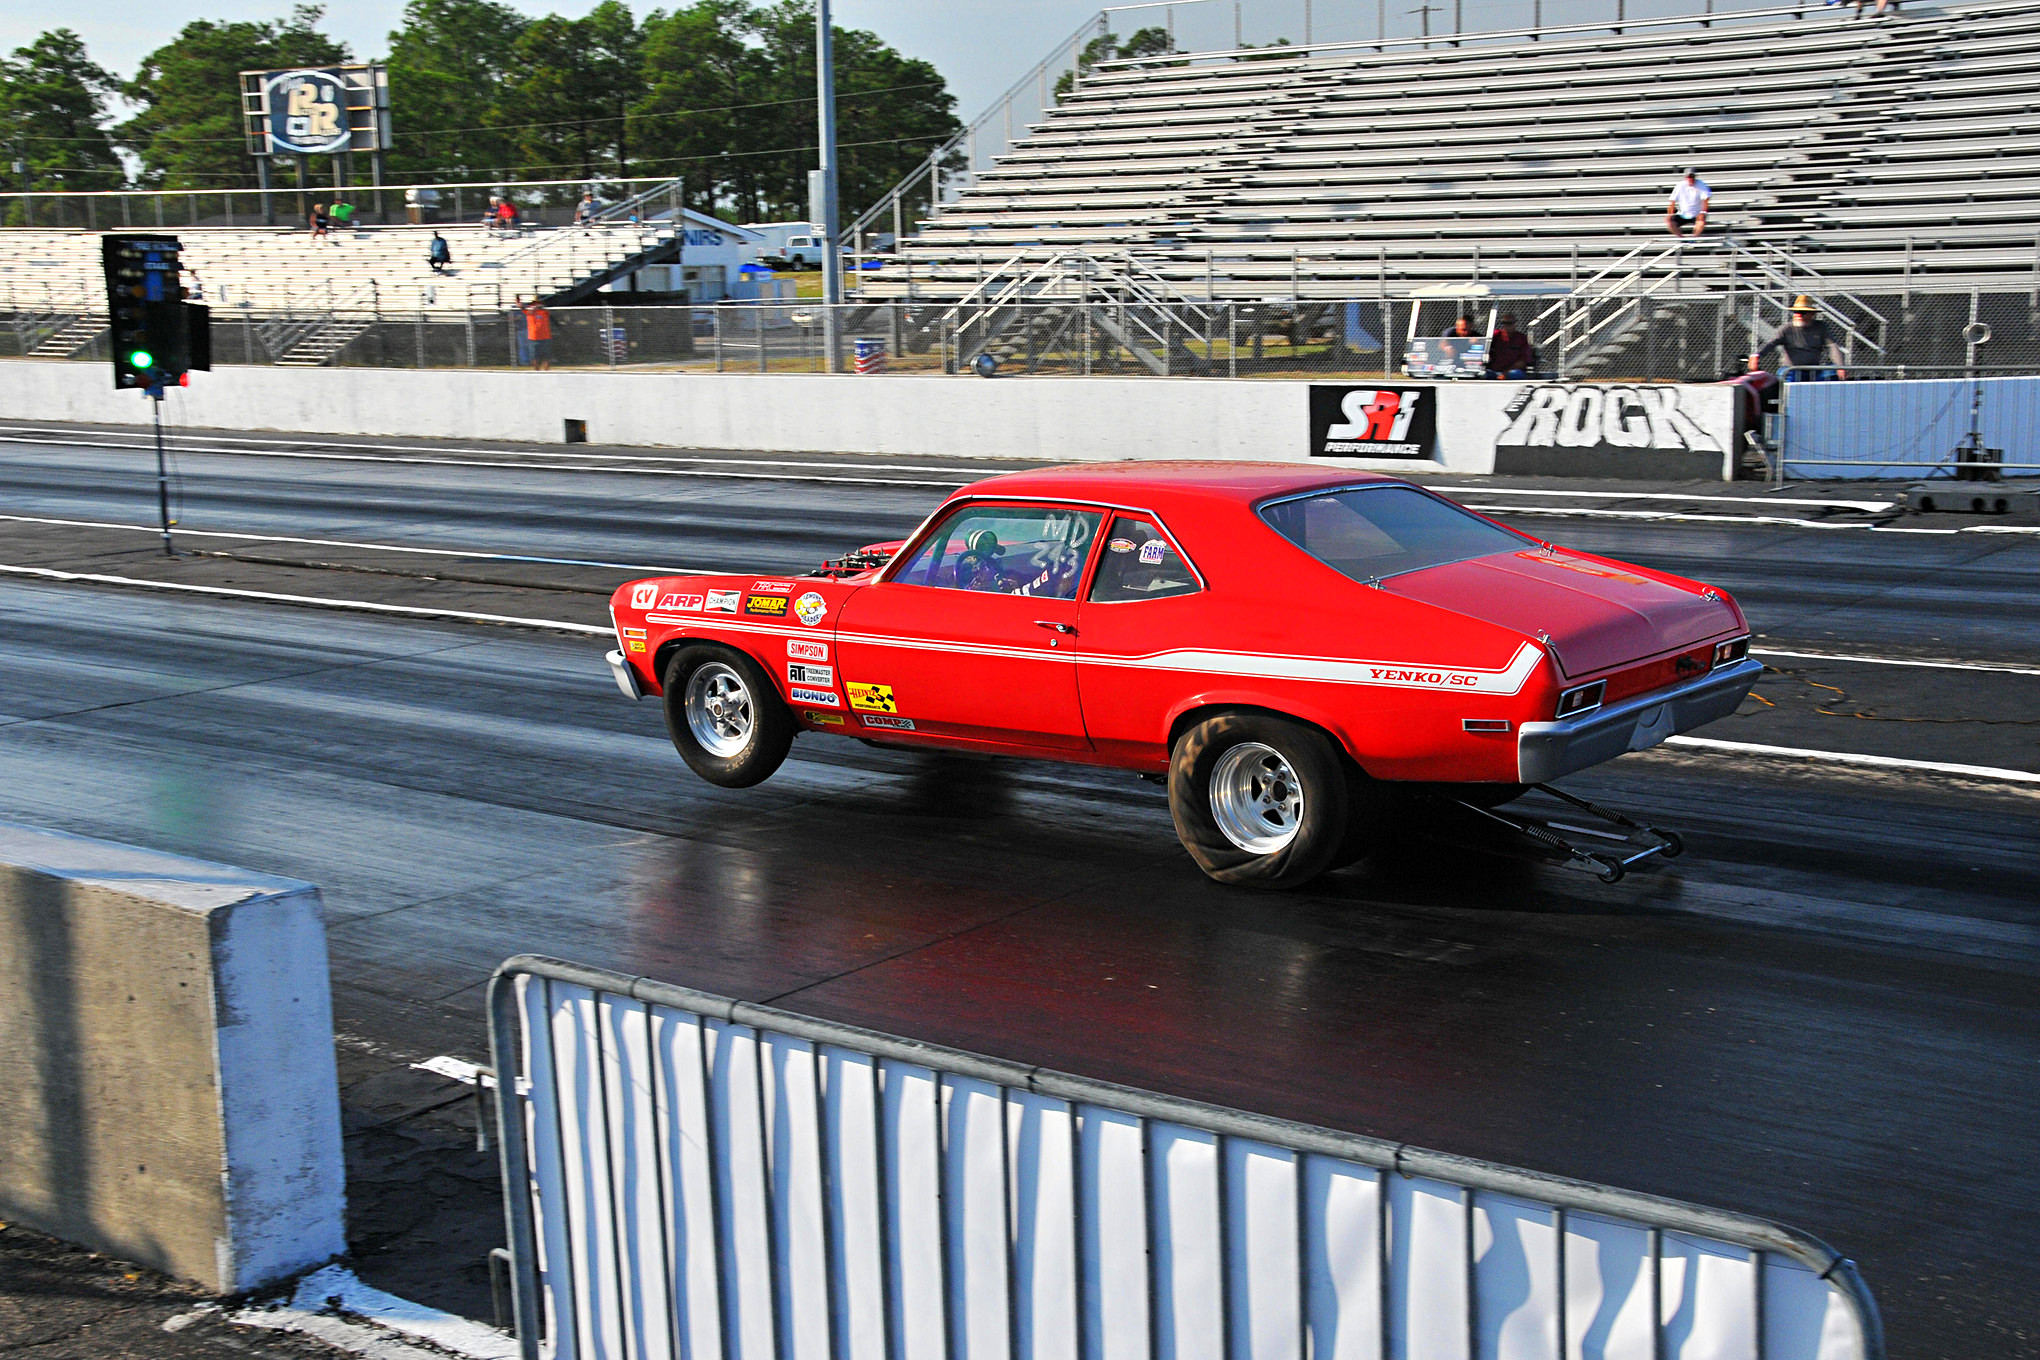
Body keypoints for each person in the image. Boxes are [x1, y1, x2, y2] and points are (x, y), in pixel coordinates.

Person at [1749, 294, 1845, 380]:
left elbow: (1833, 346)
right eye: (1796, 311)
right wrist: (1756, 355)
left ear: (1812, 314)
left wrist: (1840, 367)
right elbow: (1771, 343)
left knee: (1832, 373)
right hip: (1791, 370)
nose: (1798, 315)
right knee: (1787, 378)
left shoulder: (1821, 327)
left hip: (1813, 370)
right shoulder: (1786, 328)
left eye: (1802, 312)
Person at [1485, 313, 1536, 378]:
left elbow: (1523, 361)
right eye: (1504, 323)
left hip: (1512, 371)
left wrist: (1505, 373)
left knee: (1515, 374)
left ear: (1515, 324)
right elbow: (1486, 350)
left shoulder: (1521, 338)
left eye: (1510, 323)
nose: (1507, 326)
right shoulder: (1496, 335)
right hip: (1495, 371)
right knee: (1484, 374)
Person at [1667, 168, 1710, 237]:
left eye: (1692, 176)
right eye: (1689, 177)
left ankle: (1694, 238)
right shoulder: (1680, 185)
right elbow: (1672, 201)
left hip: (1696, 214)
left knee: (1701, 222)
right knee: (1669, 222)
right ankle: (1682, 238)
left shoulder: (1701, 184)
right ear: (1685, 177)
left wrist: (1703, 212)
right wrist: (1670, 214)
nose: (1690, 179)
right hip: (1682, 214)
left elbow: (1705, 199)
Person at [517, 295, 554, 371]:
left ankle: (547, 371)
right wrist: (518, 300)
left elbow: (545, 309)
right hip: (534, 338)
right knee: (534, 357)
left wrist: (538, 307)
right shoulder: (529, 311)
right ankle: (536, 371)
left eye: (538, 303)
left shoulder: (544, 311)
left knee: (546, 357)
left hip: (545, 337)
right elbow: (521, 306)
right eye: (534, 303)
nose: (535, 305)